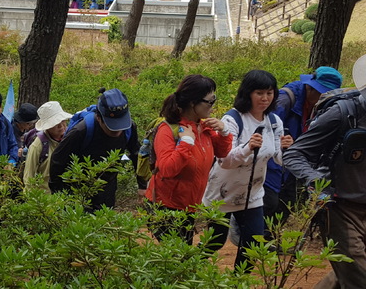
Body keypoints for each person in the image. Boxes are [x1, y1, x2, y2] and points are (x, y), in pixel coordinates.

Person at [284, 54, 366, 289]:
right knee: (358, 278)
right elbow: (294, 153)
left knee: (347, 274)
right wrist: (316, 181)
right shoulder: (342, 113)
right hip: (340, 208)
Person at [202, 70, 293, 270]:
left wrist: (286, 149)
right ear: (248, 93)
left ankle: (238, 282)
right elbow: (225, 160)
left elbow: (277, 159)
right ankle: (187, 269)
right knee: (215, 242)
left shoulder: (274, 121)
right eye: (259, 93)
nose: (265, 98)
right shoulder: (233, 119)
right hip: (223, 192)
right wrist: (248, 148)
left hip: (252, 193)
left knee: (252, 246)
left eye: (269, 93)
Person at [144, 75, 232, 244]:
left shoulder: (204, 126)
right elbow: (167, 169)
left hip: (189, 208)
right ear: (193, 104)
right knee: (175, 261)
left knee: (182, 258)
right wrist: (186, 142)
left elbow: (222, 153)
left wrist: (224, 132)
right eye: (210, 102)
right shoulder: (168, 130)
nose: (213, 107)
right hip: (166, 208)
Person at [265, 66, 343, 235]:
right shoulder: (286, 100)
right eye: (321, 93)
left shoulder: (324, 105)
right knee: (271, 200)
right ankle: (257, 238)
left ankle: (270, 237)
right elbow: (264, 128)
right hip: (274, 162)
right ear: (309, 87)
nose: (324, 97)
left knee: (292, 199)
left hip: (296, 159)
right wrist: (280, 142)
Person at [49, 89, 140, 211]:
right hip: (78, 193)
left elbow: (137, 155)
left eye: (120, 124)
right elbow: (57, 163)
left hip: (107, 191)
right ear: (98, 117)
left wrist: (143, 185)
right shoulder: (81, 131)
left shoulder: (129, 128)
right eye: (111, 126)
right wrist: (62, 200)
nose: (117, 130)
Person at [23, 101, 72, 193]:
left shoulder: (70, 139)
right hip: (45, 200)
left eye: (62, 121)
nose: (61, 126)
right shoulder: (38, 145)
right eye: (55, 123)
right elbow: (28, 178)